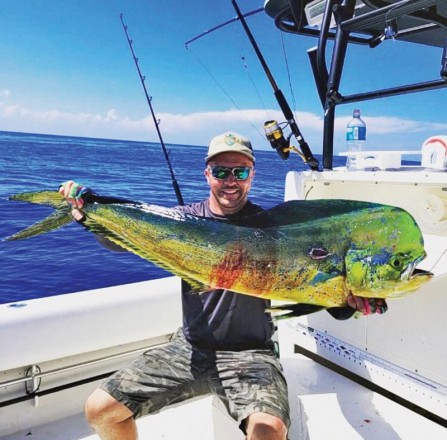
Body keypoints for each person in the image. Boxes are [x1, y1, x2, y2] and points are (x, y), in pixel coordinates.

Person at [59, 131, 387, 440]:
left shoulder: (276, 228)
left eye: (240, 173)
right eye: (221, 171)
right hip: (189, 347)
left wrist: (346, 304)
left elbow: (310, 282)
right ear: (207, 174)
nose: (230, 181)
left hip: (251, 355)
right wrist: (90, 214)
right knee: (100, 410)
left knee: (268, 432)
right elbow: (121, 241)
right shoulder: (183, 220)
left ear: (253, 175)